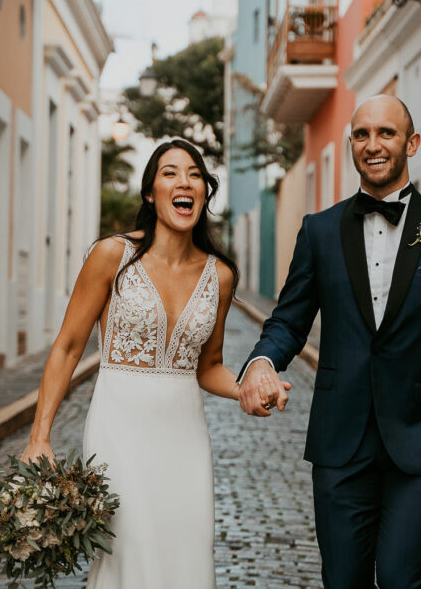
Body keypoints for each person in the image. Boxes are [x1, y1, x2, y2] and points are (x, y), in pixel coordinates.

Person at [238, 95, 421, 589]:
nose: (373, 145)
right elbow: (289, 320)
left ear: (411, 143)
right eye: (362, 134)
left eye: (386, 133)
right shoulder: (319, 231)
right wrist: (260, 362)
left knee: (406, 580)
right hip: (340, 442)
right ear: (351, 144)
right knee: (343, 582)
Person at [20, 140, 284, 588]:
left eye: (195, 174)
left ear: (204, 192)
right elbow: (67, 348)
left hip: (185, 438)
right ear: (150, 192)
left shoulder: (219, 275)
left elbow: (209, 367)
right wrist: (39, 436)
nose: (184, 182)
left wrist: (247, 388)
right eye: (170, 173)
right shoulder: (112, 256)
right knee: (129, 553)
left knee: (186, 554)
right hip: (119, 429)